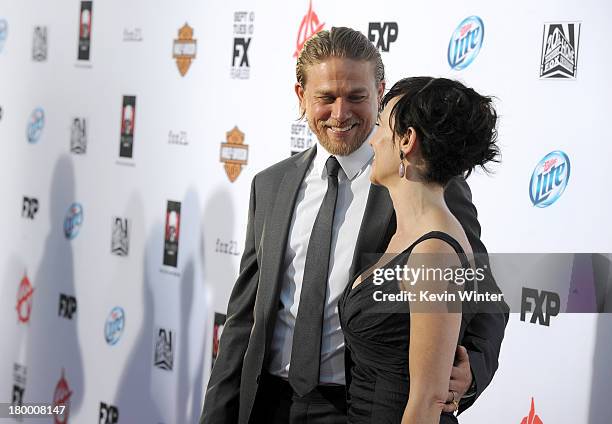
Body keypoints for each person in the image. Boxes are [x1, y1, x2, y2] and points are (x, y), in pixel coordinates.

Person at [200, 27, 508, 424]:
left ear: (380, 93)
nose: (340, 114)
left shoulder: (422, 182)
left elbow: (484, 296)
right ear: (301, 98)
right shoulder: (270, 185)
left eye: (357, 97)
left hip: (359, 409)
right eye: (326, 98)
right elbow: (245, 318)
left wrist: (469, 373)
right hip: (268, 405)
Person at [338, 76, 500, 424]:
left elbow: (426, 402)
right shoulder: (411, 234)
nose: (374, 138)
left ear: (406, 141)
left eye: (381, 126)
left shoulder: (434, 253)